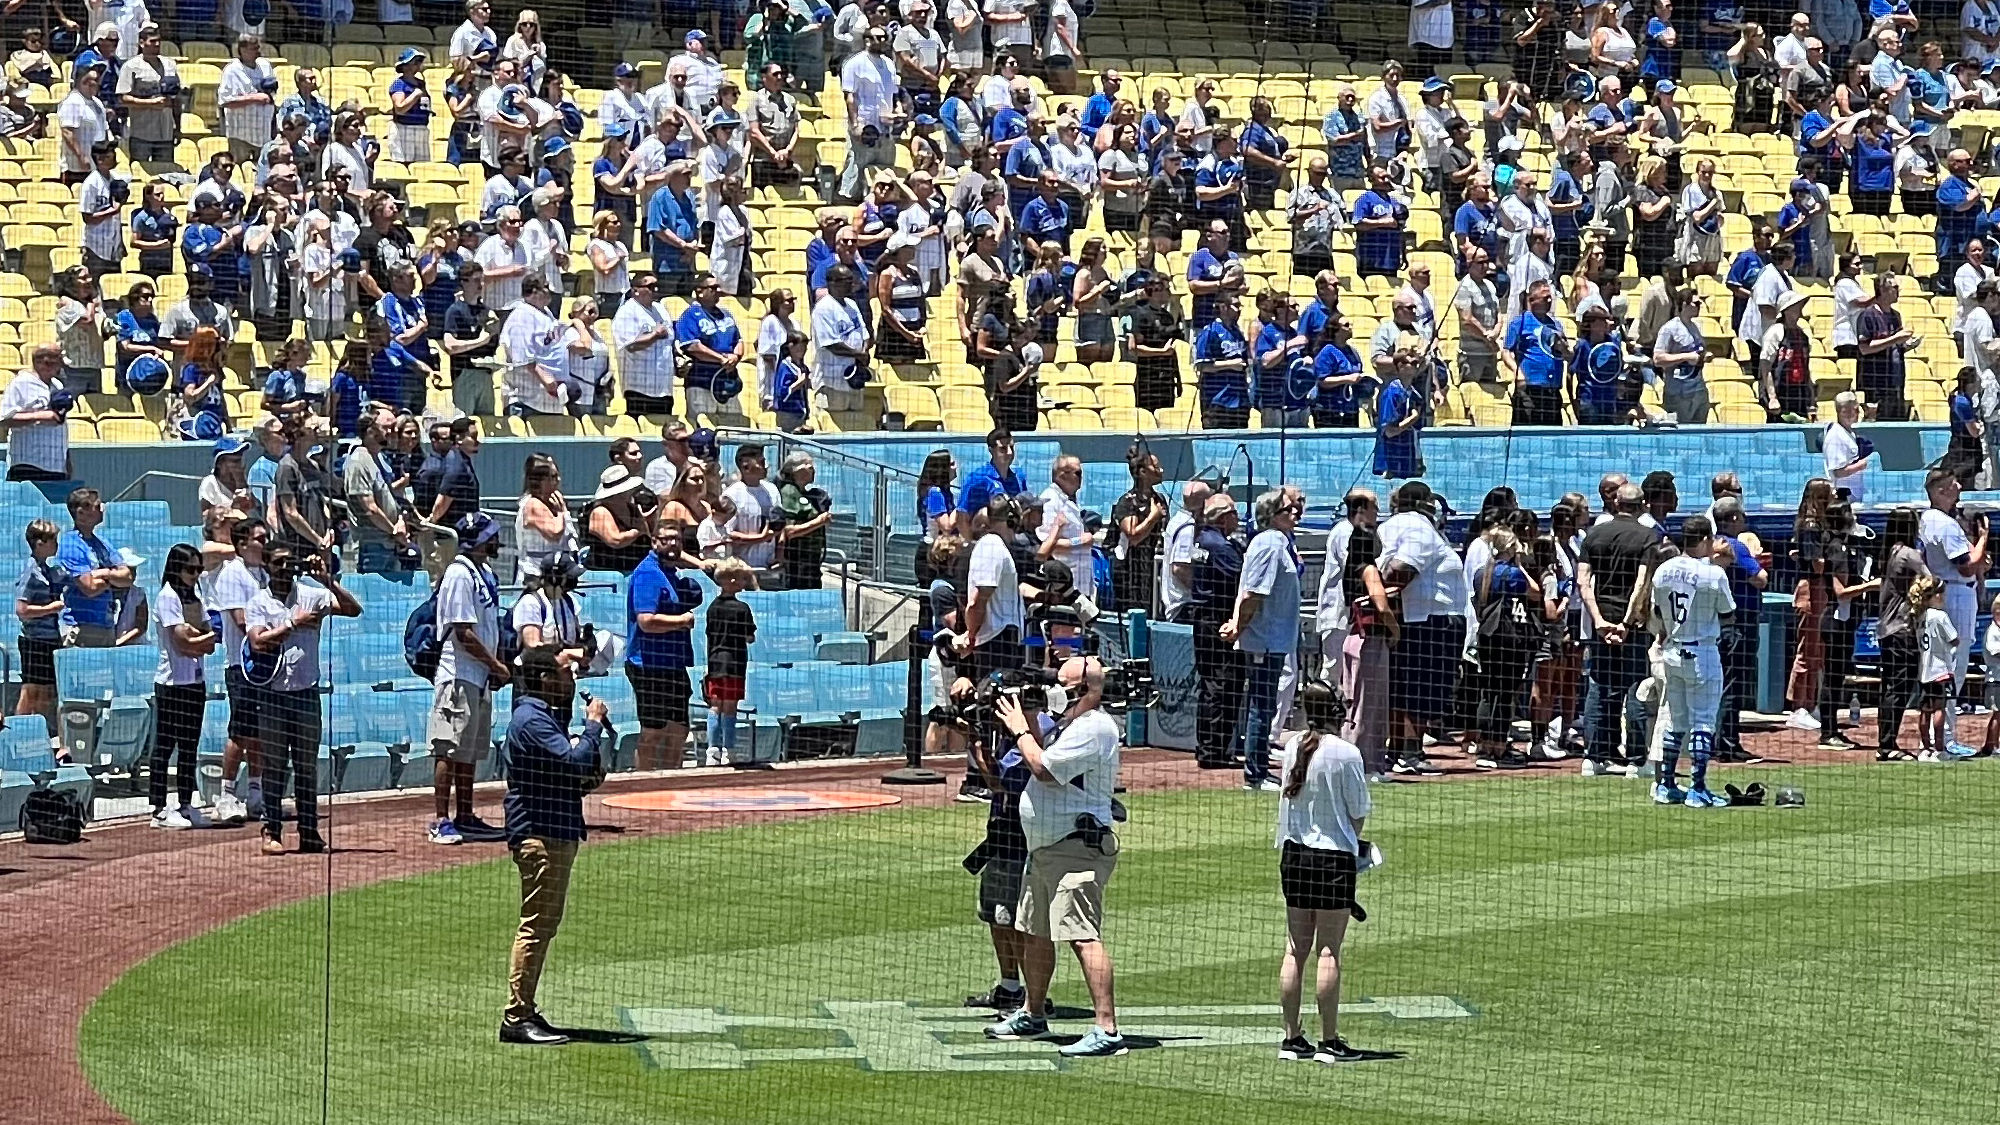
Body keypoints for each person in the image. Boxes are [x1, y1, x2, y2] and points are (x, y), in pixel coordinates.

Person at [983, 655, 1126, 1058]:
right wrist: (1027, 721)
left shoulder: (1095, 728)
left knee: (1082, 936)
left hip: (1076, 848)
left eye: (1061, 683)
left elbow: (1043, 769)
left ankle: (1107, 1029)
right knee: (1035, 931)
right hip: (1047, 847)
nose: (1053, 690)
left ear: (1085, 691)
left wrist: (1018, 730)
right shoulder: (1070, 724)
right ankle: (1032, 1012)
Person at [498, 643, 611, 1047]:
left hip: (555, 828)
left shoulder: (543, 717)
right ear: (545, 677)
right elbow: (574, 760)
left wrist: (586, 773)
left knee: (543, 925)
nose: (572, 677)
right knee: (536, 926)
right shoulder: (532, 720)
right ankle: (517, 1017)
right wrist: (593, 726)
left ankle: (523, 1010)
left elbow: (568, 772)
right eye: (566, 671)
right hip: (540, 833)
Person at [1273, 680, 1373, 1064]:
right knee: (1328, 950)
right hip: (1332, 861)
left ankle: (1292, 1037)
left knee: (1295, 949)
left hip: (1294, 856)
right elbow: (1358, 812)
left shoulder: (1293, 746)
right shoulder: (1347, 753)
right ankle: (1329, 1042)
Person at [245, 545, 360, 855]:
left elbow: (353, 609)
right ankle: (272, 830)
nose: (285, 568)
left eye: (288, 562)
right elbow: (257, 641)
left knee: (306, 766)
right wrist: (293, 624)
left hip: (306, 693)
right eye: (278, 562)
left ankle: (309, 831)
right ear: (266, 566)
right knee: (275, 765)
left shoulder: (311, 594)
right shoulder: (258, 602)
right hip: (273, 695)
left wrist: (327, 580)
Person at [428, 512, 513, 846]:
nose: (496, 539)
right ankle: (440, 819)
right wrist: (496, 665)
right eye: (490, 535)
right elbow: (463, 632)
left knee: (469, 750)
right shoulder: (459, 573)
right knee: (448, 748)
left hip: (478, 676)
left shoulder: (485, 572)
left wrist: (495, 665)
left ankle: (465, 814)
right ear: (477, 540)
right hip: (458, 674)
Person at [1648, 516, 1735, 806]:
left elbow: (1658, 614)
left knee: (1676, 720)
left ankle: (1667, 784)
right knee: (1703, 721)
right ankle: (1697, 788)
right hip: (1703, 652)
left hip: (1671, 650)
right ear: (1705, 540)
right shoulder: (1713, 574)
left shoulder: (1663, 570)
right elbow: (1728, 613)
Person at [1576, 482, 1657, 777]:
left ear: (1616, 503)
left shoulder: (1594, 534)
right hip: (1631, 625)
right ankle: (1636, 761)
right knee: (1636, 688)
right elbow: (1642, 583)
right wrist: (1625, 622)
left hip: (1601, 623)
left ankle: (1593, 757)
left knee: (1600, 687)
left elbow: (1583, 582)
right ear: (1642, 505)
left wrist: (1598, 619)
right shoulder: (1648, 536)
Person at [1225, 489, 1304, 791]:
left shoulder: (1279, 543)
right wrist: (1238, 627)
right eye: (1288, 510)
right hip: (1264, 638)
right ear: (1271, 516)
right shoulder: (1269, 544)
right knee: (1261, 705)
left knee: (1265, 705)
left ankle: (1258, 771)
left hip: (1276, 637)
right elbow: (1253, 593)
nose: (1295, 513)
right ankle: (1254, 775)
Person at [147, 543, 217, 831]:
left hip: (195, 683)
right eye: (191, 569)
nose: (196, 575)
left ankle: (186, 804)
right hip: (172, 684)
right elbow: (182, 642)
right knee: (165, 746)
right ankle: (159, 809)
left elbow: (208, 642)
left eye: (199, 569)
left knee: (190, 746)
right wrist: (199, 638)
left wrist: (198, 638)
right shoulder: (167, 597)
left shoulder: (195, 597)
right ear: (177, 568)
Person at [628, 517, 701, 771]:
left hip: (674, 662)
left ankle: (671, 781)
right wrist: (682, 620)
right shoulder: (648, 574)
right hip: (649, 664)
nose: (672, 543)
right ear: (654, 542)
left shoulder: (671, 571)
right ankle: (643, 783)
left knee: (678, 729)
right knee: (653, 731)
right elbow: (646, 621)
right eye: (667, 539)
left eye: (677, 539)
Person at [57, 487, 133, 650]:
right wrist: (113, 579)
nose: (102, 509)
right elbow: (89, 588)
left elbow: (127, 577)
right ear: (81, 513)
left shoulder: (103, 543)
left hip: (106, 624)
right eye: (96, 506)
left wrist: (103, 573)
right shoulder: (71, 544)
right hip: (82, 627)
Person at [703, 557, 758, 766]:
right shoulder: (742, 608)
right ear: (732, 581)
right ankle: (729, 750)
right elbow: (750, 637)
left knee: (715, 706)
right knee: (730, 708)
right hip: (735, 663)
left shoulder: (712, 608)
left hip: (716, 662)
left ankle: (712, 751)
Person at [13, 519, 64, 737]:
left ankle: (38, 736)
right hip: (35, 639)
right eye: (53, 539)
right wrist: (50, 608)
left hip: (50, 638)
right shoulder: (30, 572)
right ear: (39, 543)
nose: (56, 544)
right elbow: (22, 610)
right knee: (30, 691)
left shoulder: (48, 570)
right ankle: (16, 734)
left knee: (46, 692)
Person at [1, 344, 71, 481]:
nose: (61, 367)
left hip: (55, 464)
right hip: (28, 463)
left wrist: (67, 462)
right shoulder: (21, 383)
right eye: (58, 362)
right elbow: (4, 418)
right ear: (43, 362)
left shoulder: (58, 385)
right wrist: (39, 416)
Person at [1913, 575, 1957, 761]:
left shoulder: (1919, 615)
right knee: (1940, 709)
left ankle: (1925, 748)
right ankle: (1939, 749)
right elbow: (1954, 638)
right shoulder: (1940, 616)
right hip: (1940, 670)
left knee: (1925, 710)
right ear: (1936, 596)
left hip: (1924, 671)